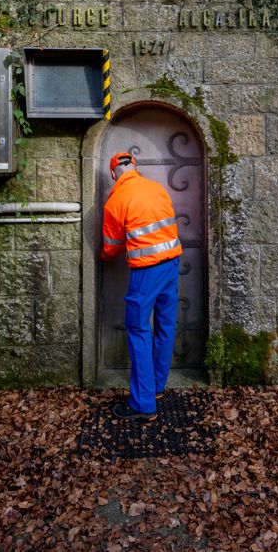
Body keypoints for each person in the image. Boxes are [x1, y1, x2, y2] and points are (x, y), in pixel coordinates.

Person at [101, 151, 183, 422]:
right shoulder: (157, 189)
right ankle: (158, 387)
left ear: (114, 174)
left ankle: (143, 404)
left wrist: (103, 255)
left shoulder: (116, 201)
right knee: (165, 326)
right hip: (172, 265)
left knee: (138, 330)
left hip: (146, 272)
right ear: (134, 167)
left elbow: (111, 248)